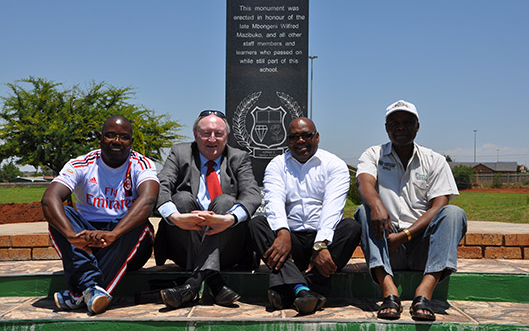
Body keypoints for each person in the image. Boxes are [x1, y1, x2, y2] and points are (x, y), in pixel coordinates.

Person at [354, 100, 467, 321]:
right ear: (386, 128)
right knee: (363, 210)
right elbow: (364, 183)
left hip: (422, 247)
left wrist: (405, 236)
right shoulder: (373, 154)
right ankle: (389, 291)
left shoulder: (434, 160)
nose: (401, 127)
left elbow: (439, 204)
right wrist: (377, 206)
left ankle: (424, 293)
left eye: (407, 122)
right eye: (394, 122)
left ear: (417, 127)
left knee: (454, 213)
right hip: (387, 244)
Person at [42, 115, 159, 315]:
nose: (116, 141)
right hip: (85, 239)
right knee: (62, 214)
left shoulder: (142, 164)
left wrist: (114, 233)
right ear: (100, 138)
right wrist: (72, 236)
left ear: (131, 141)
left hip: (124, 238)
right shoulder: (81, 164)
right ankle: (92, 290)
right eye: (110, 135)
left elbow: (148, 201)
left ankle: (79, 292)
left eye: (123, 137)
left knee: (139, 222)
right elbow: (49, 198)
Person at [248, 117, 361, 315]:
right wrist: (282, 233)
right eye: (294, 137)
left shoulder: (334, 164)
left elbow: (333, 207)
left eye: (306, 135)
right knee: (257, 224)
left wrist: (320, 244)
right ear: (287, 141)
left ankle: (289, 290)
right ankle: (305, 291)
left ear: (317, 137)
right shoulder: (276, 165)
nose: (300, 141)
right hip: (290, 243)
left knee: (351, 228)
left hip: (323, 243)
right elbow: (273, 202)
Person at [154, 110, 261, 309]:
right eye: (206, 133)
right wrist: (175, 217)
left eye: (218, 134)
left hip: (227, 248)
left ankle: (193, 285)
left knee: (226, 202)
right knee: (182, 198)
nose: (212, 139)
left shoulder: (239, 157)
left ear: (226, 136)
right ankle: (214, 281)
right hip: (185, 246)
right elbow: (161, 184)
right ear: (195, 135)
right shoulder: (180, 153)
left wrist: (229, 219)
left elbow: (252, 194)